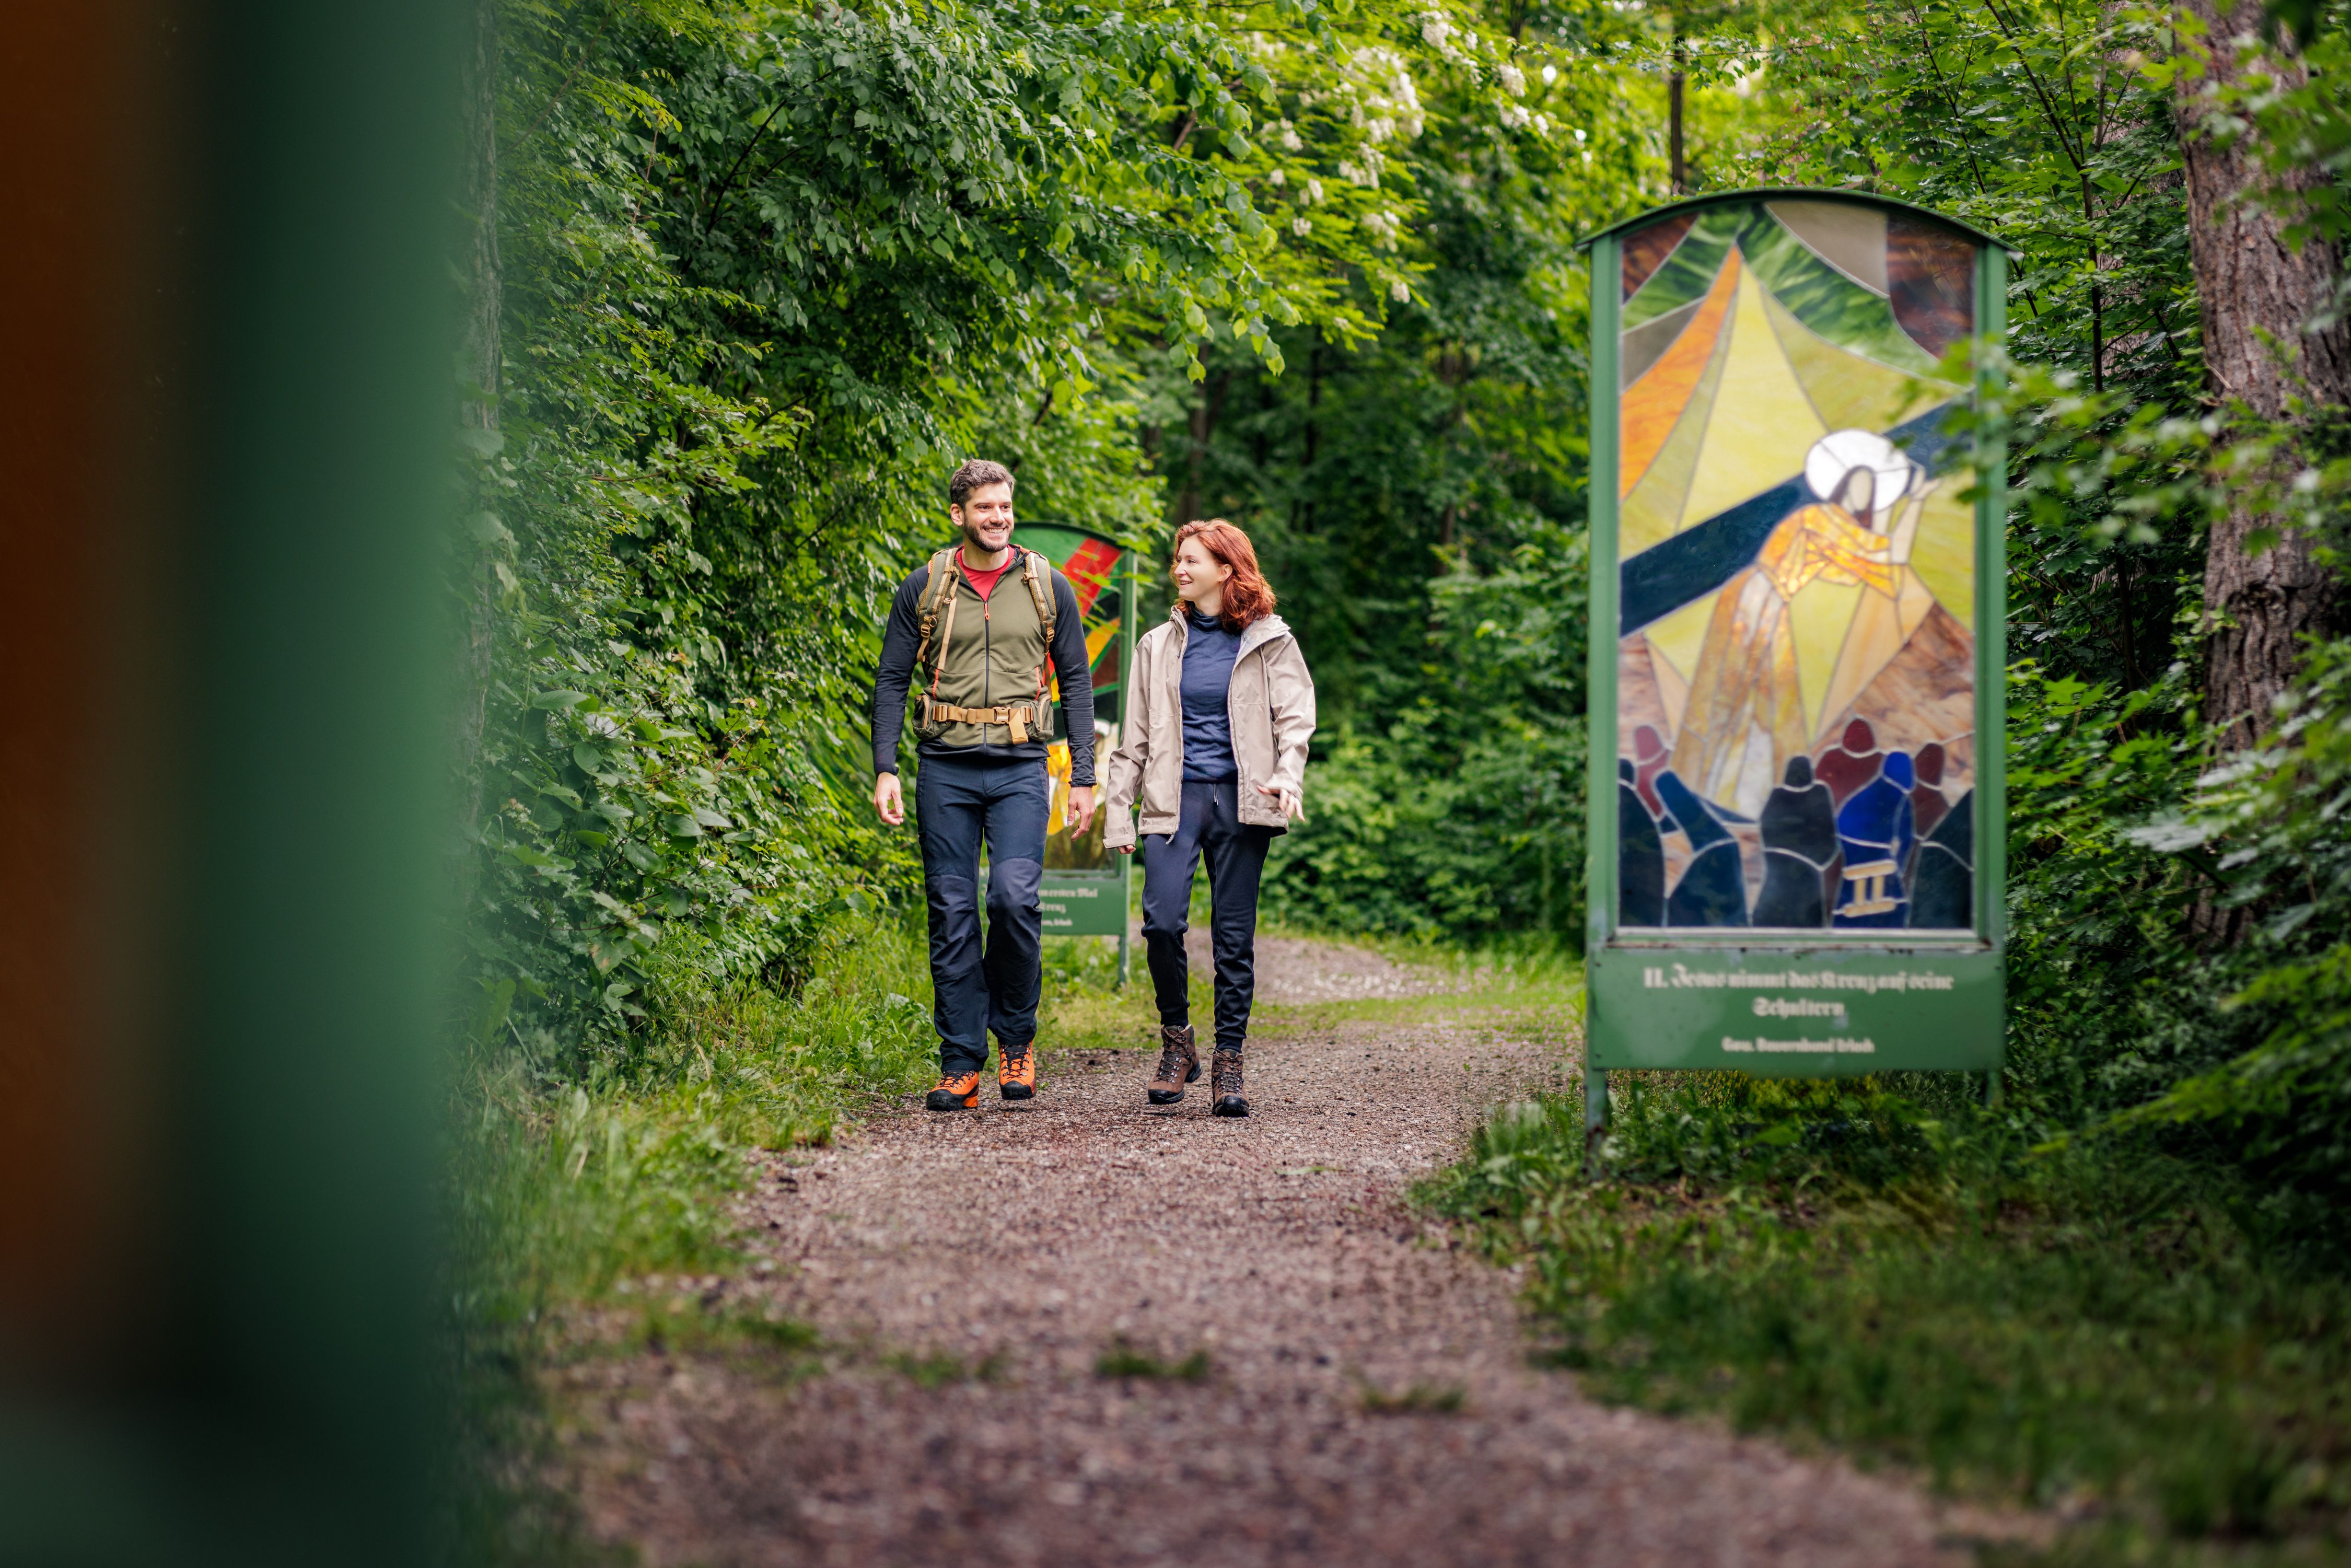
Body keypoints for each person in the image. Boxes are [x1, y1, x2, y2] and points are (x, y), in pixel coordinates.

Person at [869, 459, 1098, 1110]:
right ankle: (960, 1062)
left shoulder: (1047, 585)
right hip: (945, 768)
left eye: (1005, 506)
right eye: (985, 508)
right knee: (951, 911)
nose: (998, 518)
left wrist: (1084, 776)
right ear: (958, 515)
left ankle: (1017, 1042)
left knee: (1014, 901)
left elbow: (1076, 680)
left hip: (1022, 766)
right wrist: (885, 767)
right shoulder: (926, 586)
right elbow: (892, 680)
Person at [1103, 520, 1314, 1117]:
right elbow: (1133, 740)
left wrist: (1289, 775)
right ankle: (1178, 1041)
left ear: (1226, 570)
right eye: (1178, 558)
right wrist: (1119, 812)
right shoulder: (1156, 645)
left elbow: (1295, 719)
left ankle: (1229, 1059)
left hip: (1245, 802)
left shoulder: (1270, 641)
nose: (1179, 568)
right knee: (1161, 922)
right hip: (1174, 800)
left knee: (1233, 938)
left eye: (1191, 560)